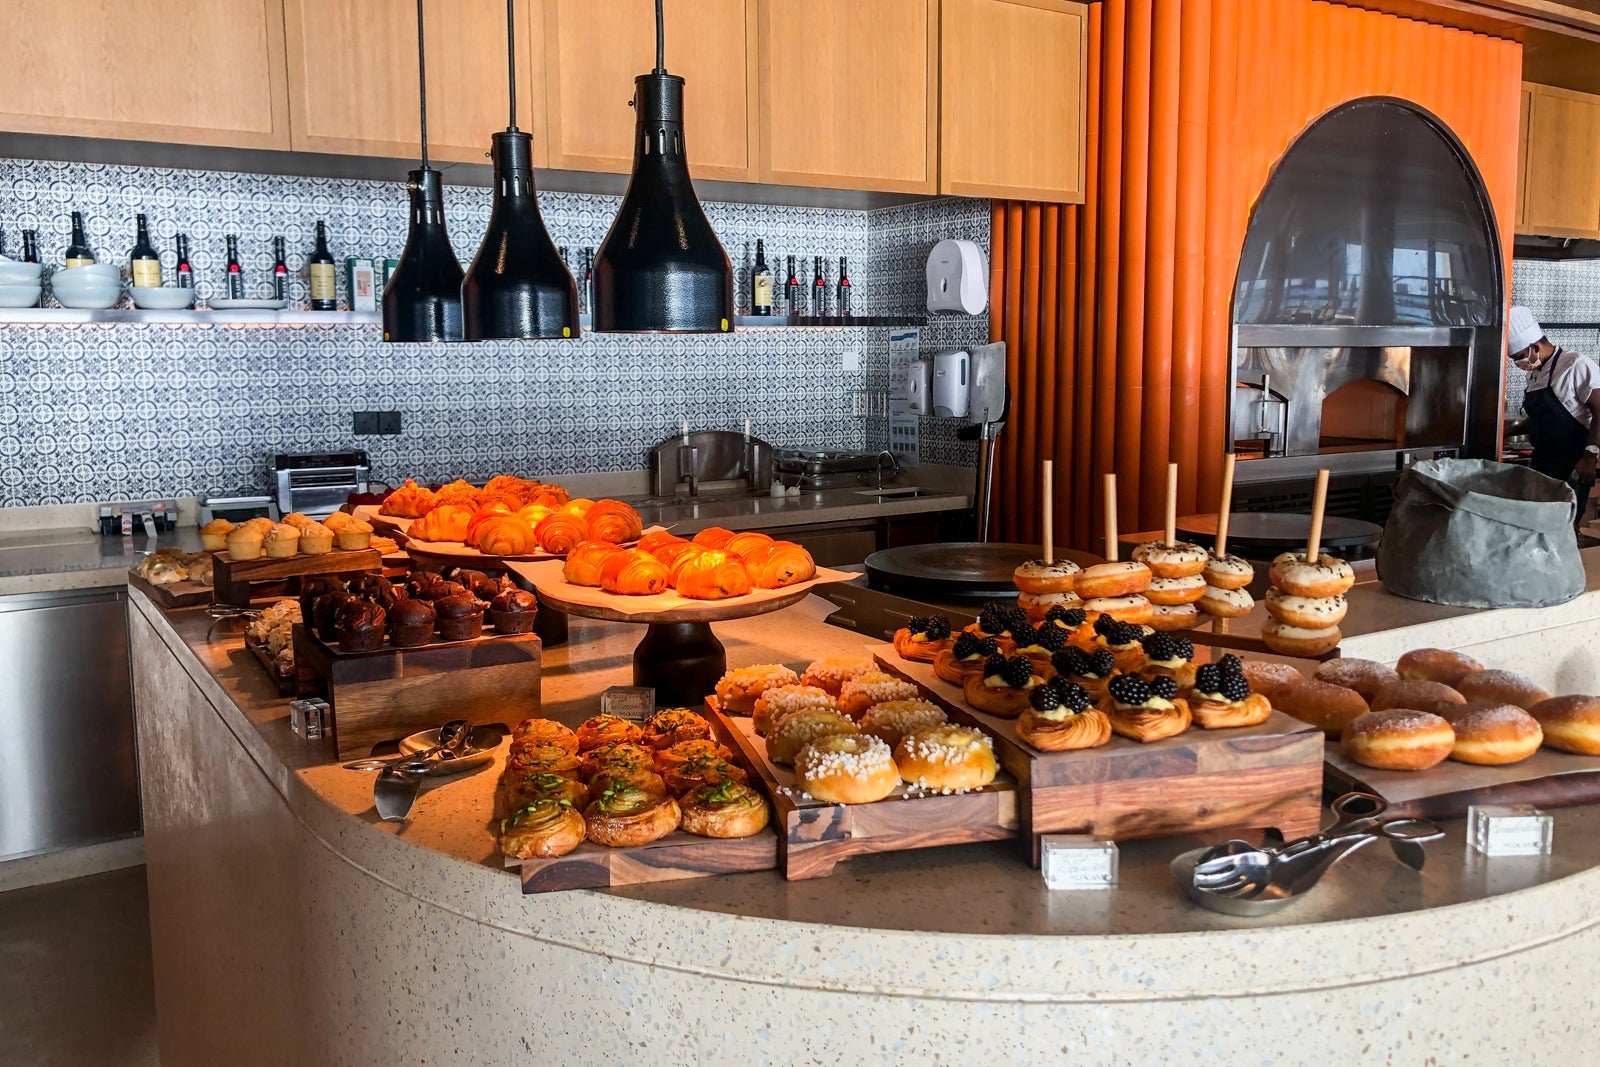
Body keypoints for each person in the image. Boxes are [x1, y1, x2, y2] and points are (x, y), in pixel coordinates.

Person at [1504, 306, 1600, 489]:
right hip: (1543, 459)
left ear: (1534, 347)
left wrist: (1590, 457)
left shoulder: (1574, 364)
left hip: (1573, 462)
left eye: (1518, 357)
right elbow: (1541, 418)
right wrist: (1506, 433)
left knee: (1566, 507)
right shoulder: (1534, 373)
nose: (1517, 363)